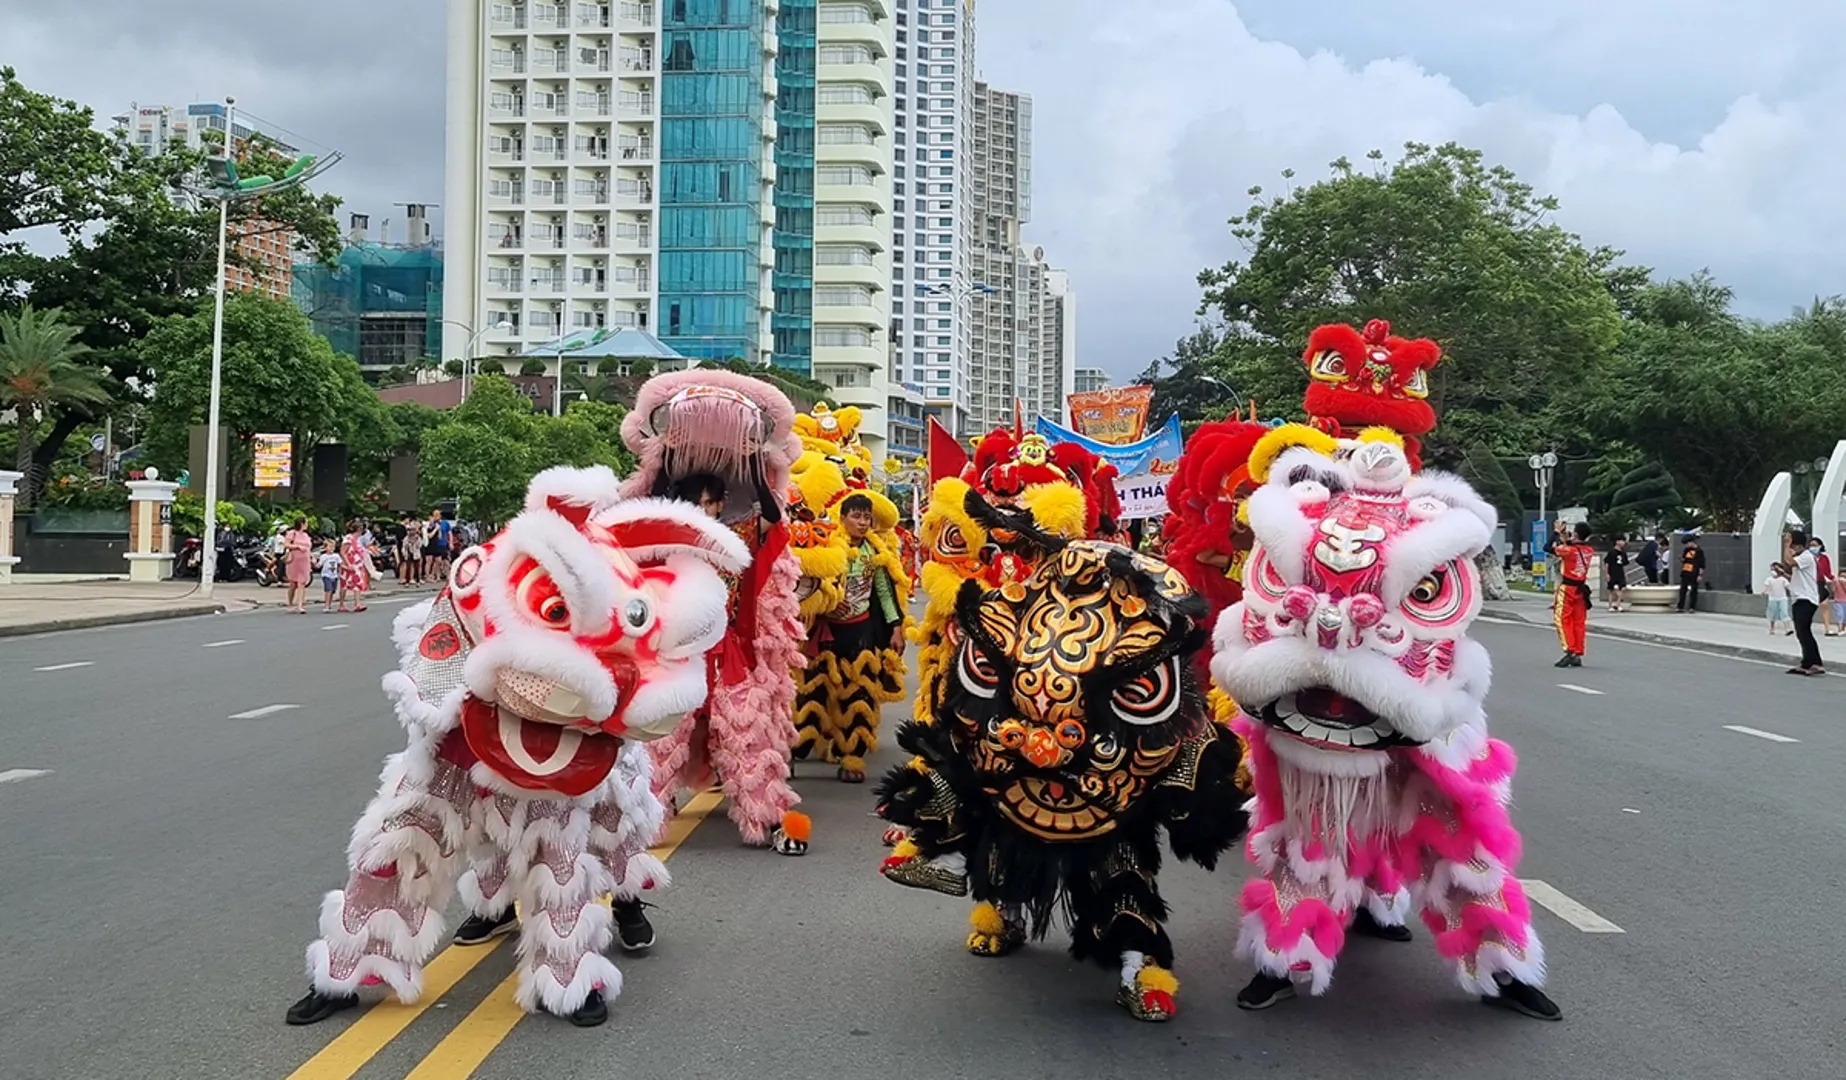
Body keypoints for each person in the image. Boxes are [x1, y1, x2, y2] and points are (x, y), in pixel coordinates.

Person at [796, 492, 906, 784]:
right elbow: (812, 583)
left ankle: (852, 756)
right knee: (813, 692)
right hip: (826, 631)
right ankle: (796, 749)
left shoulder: (874, 552)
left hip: (861, 632)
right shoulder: (828, 546)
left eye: (866, 517)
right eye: (856, 516)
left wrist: (895, 627)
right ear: (842, 518)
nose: (861, 522)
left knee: (858, 695)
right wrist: (829, 602)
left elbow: (883, 592)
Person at [1552, 521, 1594, 668]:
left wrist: (1557, 533)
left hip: (1568, 588)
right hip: (1581, 590)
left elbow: (1549, 548)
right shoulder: (1589, 550)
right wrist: (1565, 537)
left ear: (1575, 534)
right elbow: (1572, 545)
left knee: (1562, 620)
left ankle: (1569, 650)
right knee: (1578, 622)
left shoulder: (1568, 550)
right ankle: (1577, 652)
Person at [1786, 531, 1825, 675]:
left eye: (1789, 539)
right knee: (1802, 632)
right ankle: (1807, 662)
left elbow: (1789, 561)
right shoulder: (1802, 557)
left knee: (1804, 631)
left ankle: (1815, 662)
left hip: (1806, 599)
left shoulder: (1806, 557)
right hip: (1799, 598)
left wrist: (1786, 545)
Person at [337, 520, 372, 613]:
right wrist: (348, 564)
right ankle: (341, 604)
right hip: (348, 564)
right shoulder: (348, 539)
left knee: (357, 583)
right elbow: (343, 552)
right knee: (344, 584)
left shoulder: (356, 540)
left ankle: (357, 604)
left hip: (357, 565)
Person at [282, 516, 314, 614]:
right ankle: (290, 603)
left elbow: (308, 548)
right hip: (294, 561)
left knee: (302, 583)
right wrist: (297, 546)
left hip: (304, 561)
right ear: (301, 524)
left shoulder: (306, 535)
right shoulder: (292, 533)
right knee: (293, 583)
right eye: (306, 523)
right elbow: (286, 544)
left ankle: (300, 605)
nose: (307, 525)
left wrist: (312, 557)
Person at [1811, 539, 1837, 636]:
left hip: (1820, 582)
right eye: (1811, 545)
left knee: (1824, 605)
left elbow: (1827, 572)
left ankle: (1827, 628)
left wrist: (1832, 580)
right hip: (1810, 582)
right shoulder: (1808, 557)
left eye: (1815, 545)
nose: (1812, 547)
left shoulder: (1824, 558)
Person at [1675, 538, 1705, 612]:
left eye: (1686, 544)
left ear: (1691, 542)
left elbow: (1702, 564)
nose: (1686, 545)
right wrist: (1681, 559)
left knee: (1693, 589)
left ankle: (1692, 607)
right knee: (1683, 589)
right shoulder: (1686, 550)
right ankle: (1680, 606)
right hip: (1685, 571)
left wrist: (1700, 575)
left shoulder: (1699, 551)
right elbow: (1684, 560)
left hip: (1694, 572)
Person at [1763, 563, 1792, 636]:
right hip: (1772, 599)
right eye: (1772, 569)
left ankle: (1787, 629)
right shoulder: (1769, 579)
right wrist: (1765, 592)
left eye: (1775, 569)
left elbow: (1788, 587)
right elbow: (1767, 587)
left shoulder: (1783, 579)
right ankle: (1772, 627)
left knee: (1784, 612)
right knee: (1772, 613)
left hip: (1782, 598)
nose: (1773, 571)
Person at [1604, 536, 1631, 612]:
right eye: (1620, 541)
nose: (1622, 543)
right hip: (1612, 572)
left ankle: (1617, 604)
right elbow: (1606, 563)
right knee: (1611, 590)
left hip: (1620, 573)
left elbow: (1624, 564)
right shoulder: (1612, 552)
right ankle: (1610, 606)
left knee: (1622, 588)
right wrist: (1607, 574)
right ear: (1616, 542)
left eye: (1623, 541)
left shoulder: (1623, 553)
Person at [317, 539, 342, 613]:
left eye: (333, 547)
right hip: (326, 575)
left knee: (333, 590)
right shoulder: (323, 557)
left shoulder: (336, 556)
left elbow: (340, 563)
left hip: (334, 575)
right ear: (325, 548)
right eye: (329, 547)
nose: (331, 549)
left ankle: (329, 603)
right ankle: (326, 605)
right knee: (328, 590)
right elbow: (319, 565)